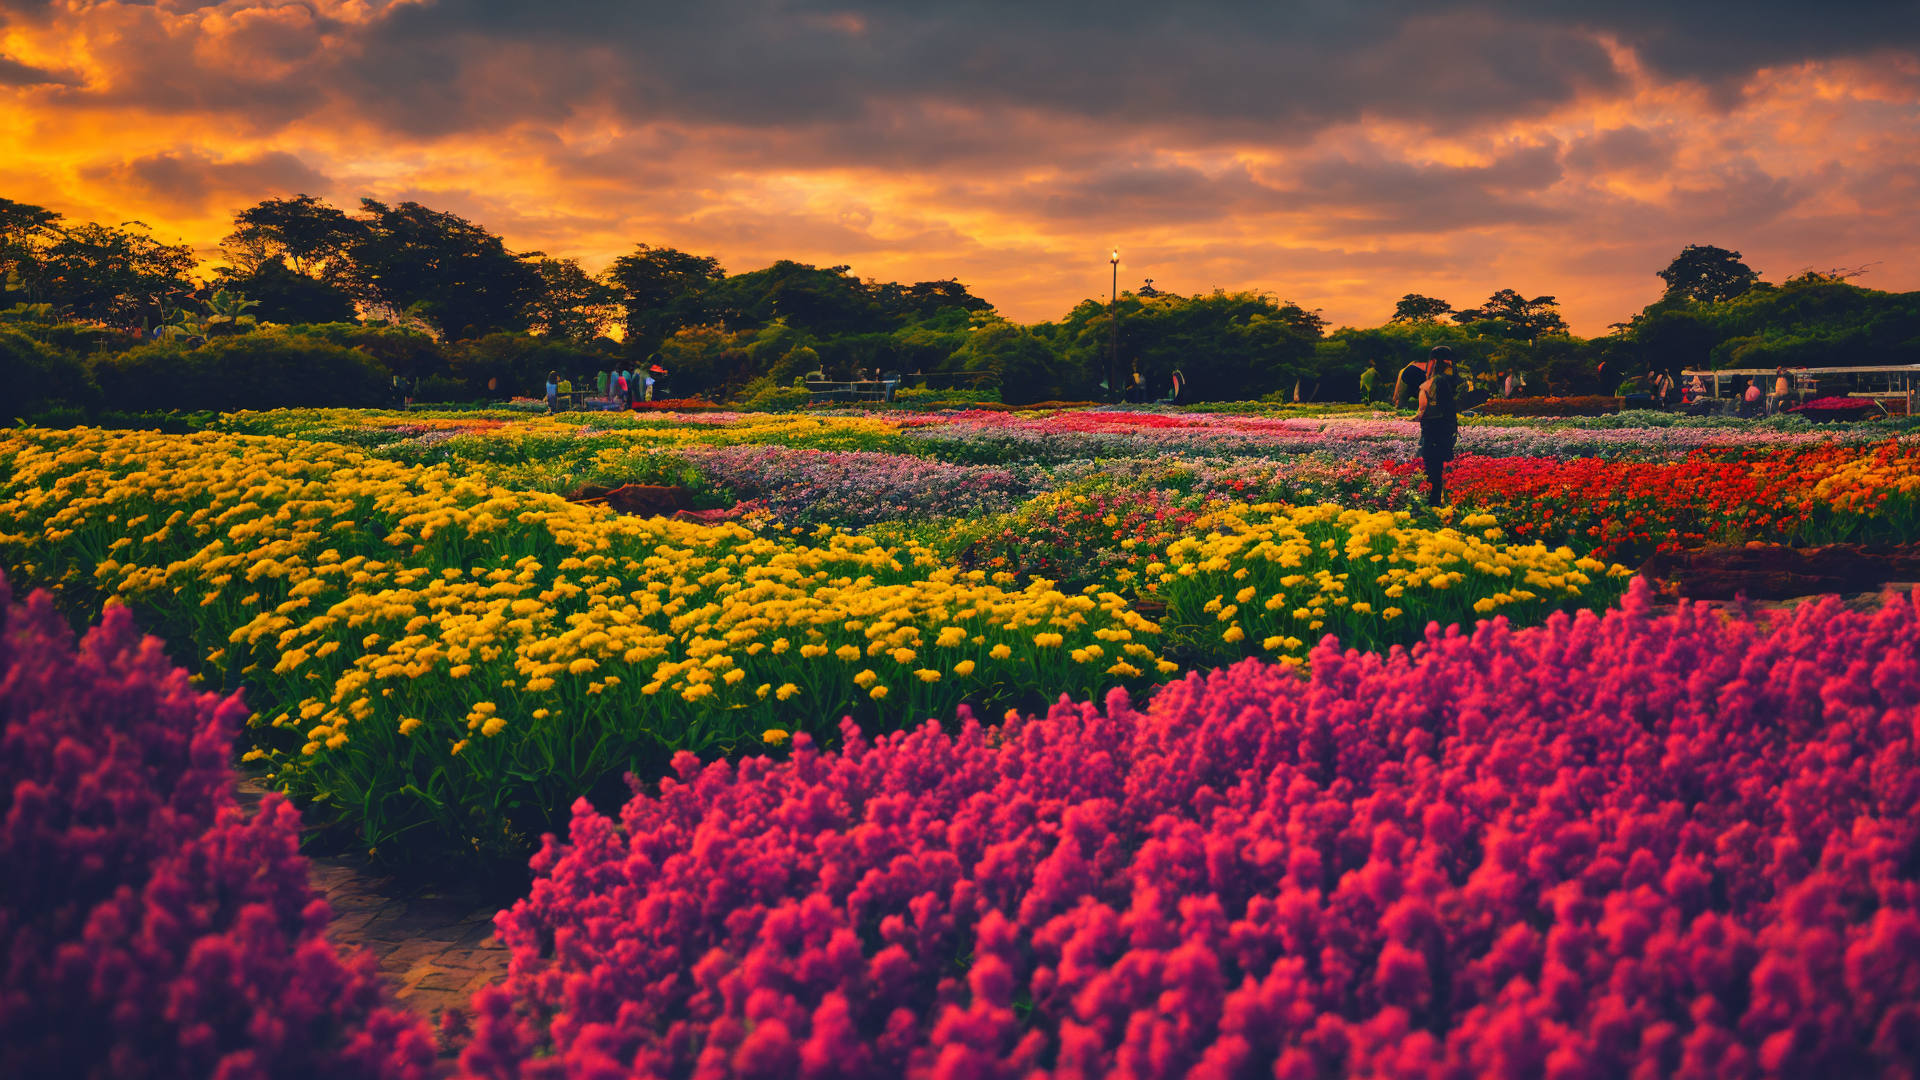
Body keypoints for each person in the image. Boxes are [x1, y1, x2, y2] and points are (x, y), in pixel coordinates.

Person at [1413, 346, 1459, 507]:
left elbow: (1422, 411)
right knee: (1443, 464)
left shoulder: (1427, 385)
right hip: (1446, 430)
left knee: (1431, 464)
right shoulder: (1447, 383)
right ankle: (1443, 498)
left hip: (1431, 430)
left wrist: (1412, 418)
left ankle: (1433, 501)